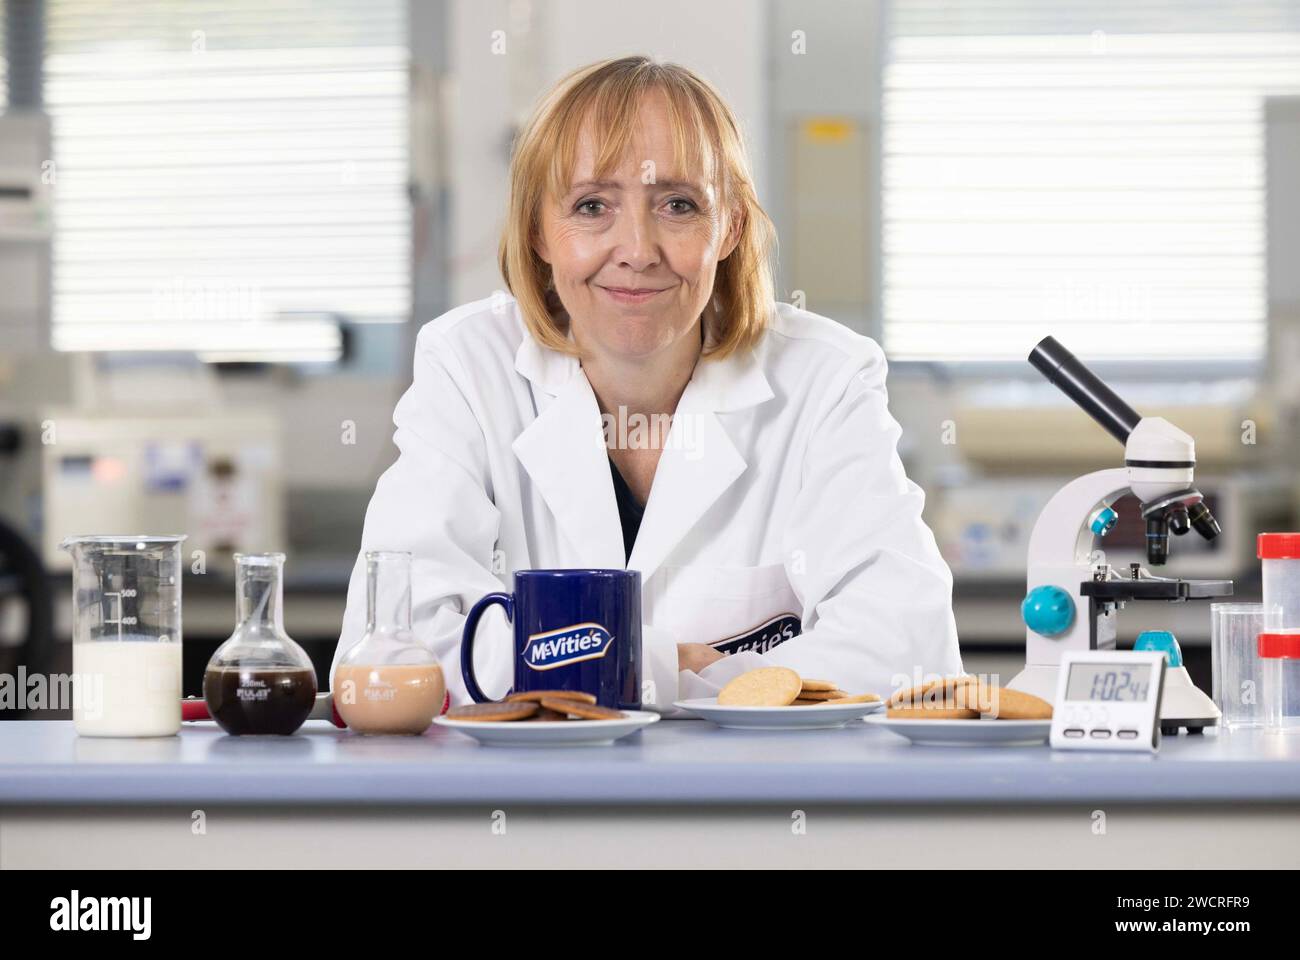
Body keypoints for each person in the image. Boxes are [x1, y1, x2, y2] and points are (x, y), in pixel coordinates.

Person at [331, 55, 962, 709]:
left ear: (732, 227)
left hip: (750, 804)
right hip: (529, 803)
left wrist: (568, 665)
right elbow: (391, 651)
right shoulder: (468, 366)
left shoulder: (823, 377)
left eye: (678, 205)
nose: (636, 249)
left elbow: (905, 654)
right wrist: (665, 665)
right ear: (537, 232)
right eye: (592, 205)